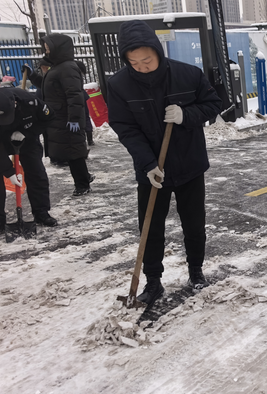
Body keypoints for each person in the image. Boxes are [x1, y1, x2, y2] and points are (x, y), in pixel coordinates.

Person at [106, 20, 223, 306]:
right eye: (134, 63)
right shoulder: (119, 85)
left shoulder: (188, 75)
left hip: (189, 165)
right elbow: (125, 128)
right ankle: (153, 282)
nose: (142, 67)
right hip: (151, 171)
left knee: (193, 224)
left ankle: (195, 271)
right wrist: (148, 164)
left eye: (147, 60)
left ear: (157, 51)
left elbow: (213, 104)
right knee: (150, 227)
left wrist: (186, 115)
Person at [23, 34, 94, 195]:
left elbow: (74, 95)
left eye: (48, 48)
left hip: (66, 117)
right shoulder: (57, 67)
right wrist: (32, 75)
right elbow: (47, 87)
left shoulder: (67, 68)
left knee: (73, 151)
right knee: (69, 150)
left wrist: (74, 118)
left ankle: (82, 185)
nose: (46, 51)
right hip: (59, 116)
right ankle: (85, 178)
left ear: (58, 48)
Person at [0, 86, 57, 237]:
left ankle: (41, 213)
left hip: (26, 139)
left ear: (15, 104)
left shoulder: (29, 101)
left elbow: (49, 117)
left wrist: (27, 132)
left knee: (36, 173)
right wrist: (9, 172)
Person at [75, 60, 95, 146]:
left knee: (82, 117)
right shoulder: (78, 74)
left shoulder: (72, 74)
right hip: (82, 95)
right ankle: (90, 139)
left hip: (77, 97)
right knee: (86, 116)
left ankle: (85, 138)